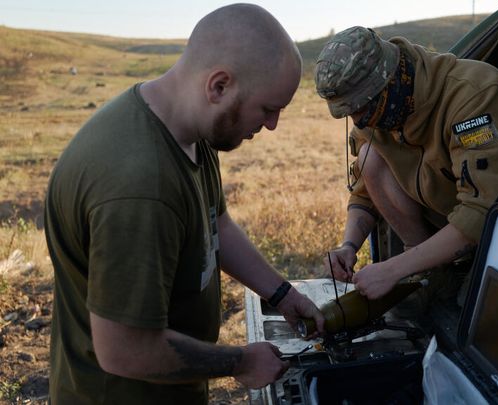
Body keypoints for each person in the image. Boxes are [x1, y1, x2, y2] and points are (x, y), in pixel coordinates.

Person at [44, 4, 324, 404]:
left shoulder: (188, 129)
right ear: (219, 86)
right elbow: (125, 349)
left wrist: (283, 295)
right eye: (267, 108)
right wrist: (241, 362)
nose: (272, 124)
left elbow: (217, 225)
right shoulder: (140, 188)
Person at [316, 27, 498, 301]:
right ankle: (435, 275)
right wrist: (348, 246)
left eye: (362, 109)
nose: (359, 122)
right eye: (350, 114)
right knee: (369, 158)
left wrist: (394, 269)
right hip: (443, 222)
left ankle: (456, 278)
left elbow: (484, 210)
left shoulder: (471, 92)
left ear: (390, 82)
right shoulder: (378, 112)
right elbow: (364, 192)